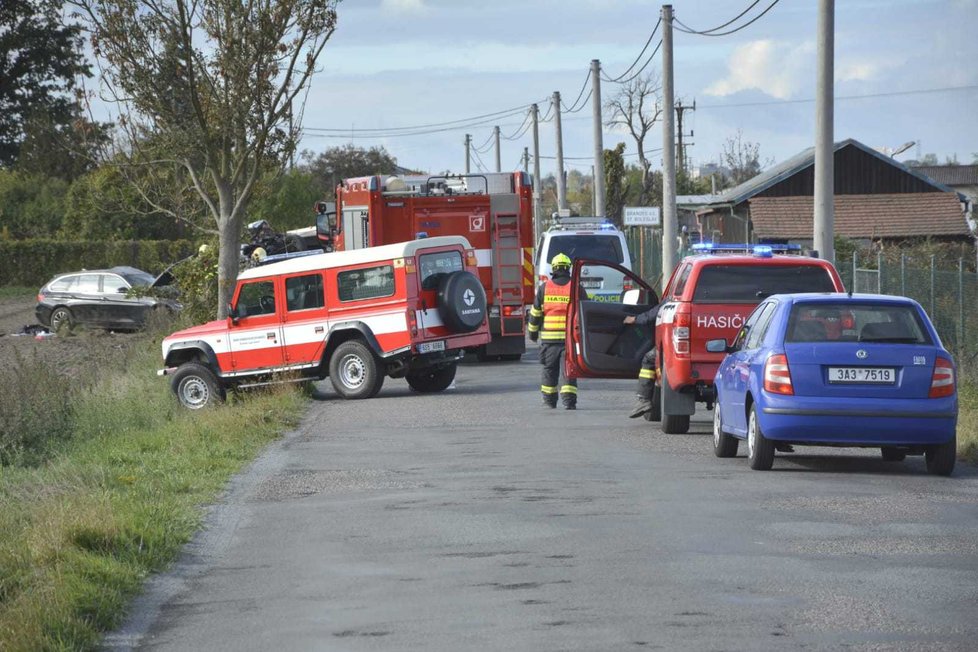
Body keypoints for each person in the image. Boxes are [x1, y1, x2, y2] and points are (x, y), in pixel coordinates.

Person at [527, 253, 578, 410]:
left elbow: (535, 315)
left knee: (549, 370)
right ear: (568, 268)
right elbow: (583, 314)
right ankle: (569, 402)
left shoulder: (545, 288)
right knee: (569, 371)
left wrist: (533, 334)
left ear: (554, 269)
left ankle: (549, 401)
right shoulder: (576, 287)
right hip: (569, 341)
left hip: (550, 342)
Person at [624, 301, 661, 418]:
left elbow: (653, 314)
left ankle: (643, 399)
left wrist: (635, 319)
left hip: (681, 350)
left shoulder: (676, 296)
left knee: (649, 359)